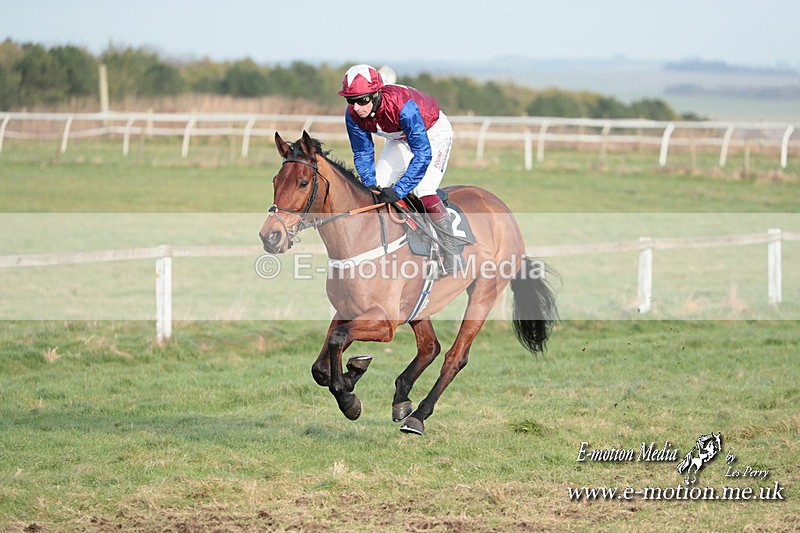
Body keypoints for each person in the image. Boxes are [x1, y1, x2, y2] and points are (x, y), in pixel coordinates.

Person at [338, 64, 463, 273]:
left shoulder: (403, 106)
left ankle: (452, 251)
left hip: (432, 133)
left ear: (376, 94)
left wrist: (399, 190)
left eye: (363, 100)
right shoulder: (353, 114)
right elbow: (362, 152)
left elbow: (423, 153)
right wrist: (370, 185)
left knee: (422, 190)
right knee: (374, 189)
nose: (357, 107)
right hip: (400, 137)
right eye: (351, 100)